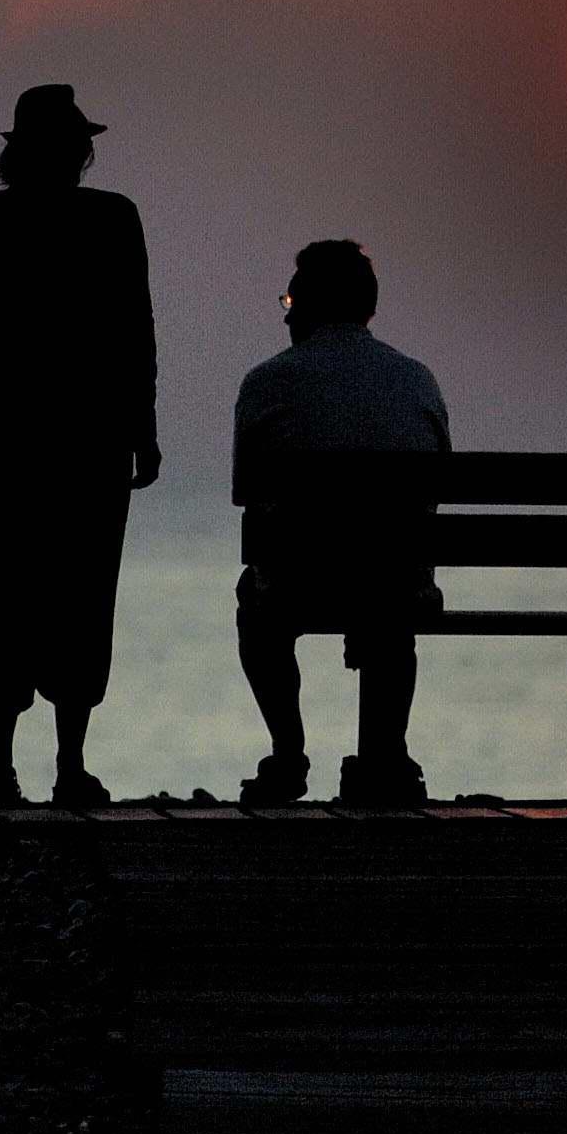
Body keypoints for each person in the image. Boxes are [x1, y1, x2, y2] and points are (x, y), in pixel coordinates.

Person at [0, 83, 159, 810]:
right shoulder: (113, 219)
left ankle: (1, 765)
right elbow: (134, 334)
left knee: (1, 595)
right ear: (79, 152)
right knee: (82, 595)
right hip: (88, 442)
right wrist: (141, 429)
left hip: (1, 441)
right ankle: (68, 764)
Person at [230, 238, 451, 809]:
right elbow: (437, 487)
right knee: (391, 601)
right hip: (394, 579)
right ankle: (385, 755)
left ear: (302, 306)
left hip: (299, 582)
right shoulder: (415, 380)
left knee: (256, 606)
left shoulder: (266, 383)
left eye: (288, 303)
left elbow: (246, 491)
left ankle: (287, 753)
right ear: (367, 307)